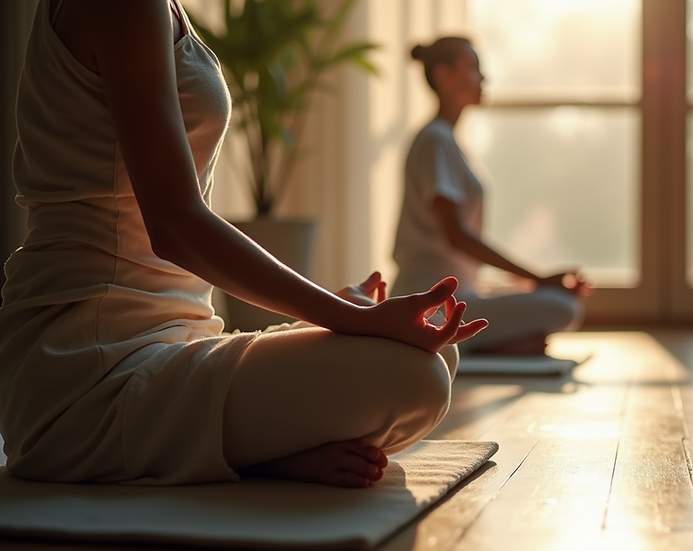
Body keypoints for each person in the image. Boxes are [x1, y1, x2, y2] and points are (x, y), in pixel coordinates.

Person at [0, 0, 487, 488]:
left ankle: (247, 450)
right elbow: (174, 226)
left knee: (436, 353)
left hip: (179, 338)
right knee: (415, 379)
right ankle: (248, 451)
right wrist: (348, 319)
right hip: (90, 366)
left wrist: (330, 320)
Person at [392, 37, 592, 356]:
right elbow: (456, 236)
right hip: (429, 302)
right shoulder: (434, 140)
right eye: (472, 68)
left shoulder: (448, 142)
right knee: (563, 306)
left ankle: (487, 343)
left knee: (560, 303)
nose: (483, 78)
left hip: (460, 294)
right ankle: (469, 345)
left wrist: (530, 283)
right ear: (443, 76)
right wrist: (537, 279)